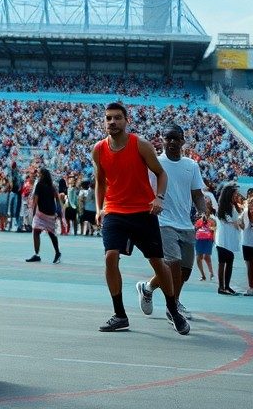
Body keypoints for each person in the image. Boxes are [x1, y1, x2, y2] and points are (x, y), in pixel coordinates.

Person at [91, 103, 188, 335]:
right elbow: (100, 181)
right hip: (115, 210)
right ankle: (120, 315)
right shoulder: (98, 149)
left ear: (126, 121)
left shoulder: (140, 145)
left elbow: (161, 173)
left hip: (143, 212)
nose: (112, 122)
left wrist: (159, 198)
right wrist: (99, 208)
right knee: (110, 257)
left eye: (117, 118)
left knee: (157, 262)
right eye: (108, 119)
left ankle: (173, 309)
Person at [136, 123, 205, 322]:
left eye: (177, 138)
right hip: (162, 221)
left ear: (183, 141)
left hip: (186, 224)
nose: (173, 142)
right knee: (172, 264)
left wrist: (202, 211)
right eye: (169, 138)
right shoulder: (155, 163)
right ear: (162, 140)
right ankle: (172, 307)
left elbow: (197, 194)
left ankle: (148, 288)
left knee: (184, 271)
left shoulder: (191, 166)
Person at [26, 168, 62, 263]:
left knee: (36, 231)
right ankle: (57, 252)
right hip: (50, 213)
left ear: (42, 175)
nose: (38, 175)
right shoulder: (52, 186)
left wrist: (33, 213)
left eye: (39, 174)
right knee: (51, 233)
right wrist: (59, 210)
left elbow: (35, 200)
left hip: (41, 214)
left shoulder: (39, 185)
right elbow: (57, 199)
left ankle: (37, 254)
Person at [214, 184, 242, 295]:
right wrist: (238, 223)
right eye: (235, 194)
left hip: (230, 239)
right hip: (222, 240)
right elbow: (233, 222)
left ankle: (227, 286)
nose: (236, 196)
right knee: (222, 262)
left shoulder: (233, 206)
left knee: (229, 261)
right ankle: (221, 287)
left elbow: (237, 222)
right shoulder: (223, 208)